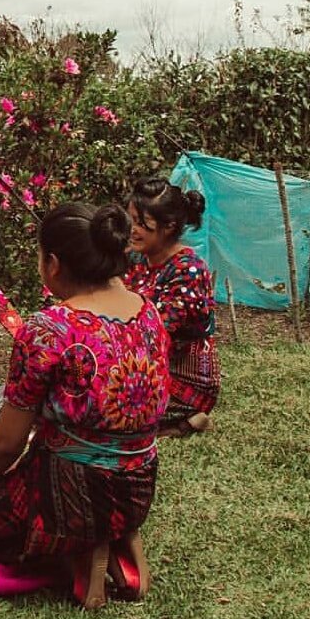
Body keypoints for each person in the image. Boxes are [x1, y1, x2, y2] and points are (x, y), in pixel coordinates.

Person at [0, 202, 169, 609]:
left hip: (68, 494)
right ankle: (112, 536)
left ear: (53, 263)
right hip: (137, 490)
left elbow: (8, 444)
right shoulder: (149, 313)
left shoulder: (46, 330)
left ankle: (71, 547)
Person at [125, 176, 219, 436]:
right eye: (132, 220)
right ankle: (176, 425)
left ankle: (185, 417)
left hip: (180, 377)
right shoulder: (135, 259)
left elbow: (156, 334)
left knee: (101, 403)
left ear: (169, 226)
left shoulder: (189, 270)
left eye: (143, 224)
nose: (133, 229)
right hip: (140, 363)